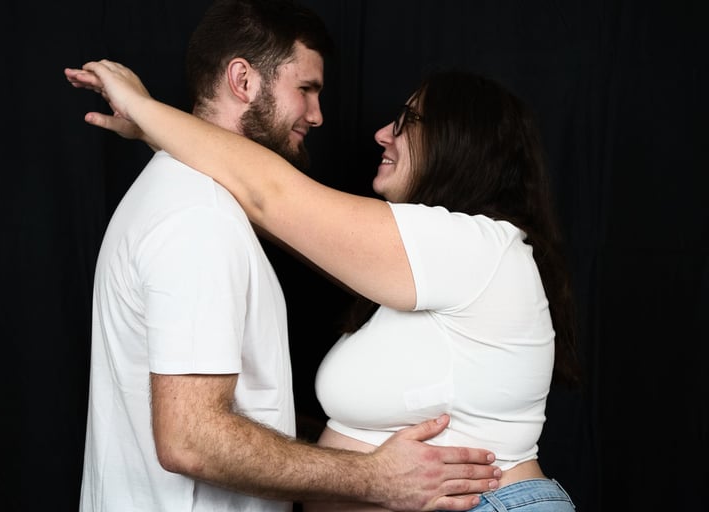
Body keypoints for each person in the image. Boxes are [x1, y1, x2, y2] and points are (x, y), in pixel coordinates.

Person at [65, 52, 582, 512]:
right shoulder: (437, 265)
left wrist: (143, 110)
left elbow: (269, 196)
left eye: (407, 122)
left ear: (459, 141)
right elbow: (272, 214)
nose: (383, 134)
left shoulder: (475, 247)